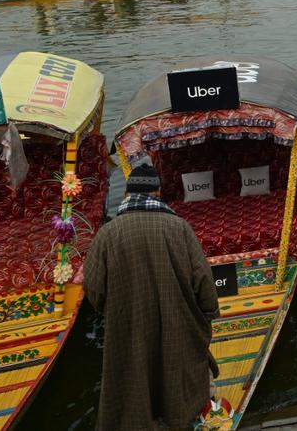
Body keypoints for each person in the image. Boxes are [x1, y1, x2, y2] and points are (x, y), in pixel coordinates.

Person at [83, 163, 220, 431]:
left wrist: (111, 307)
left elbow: (94, 289)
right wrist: (208, 313)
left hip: (128, 326)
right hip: (177, 320)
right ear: (157, 193)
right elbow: (203, 278)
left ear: (126, 195)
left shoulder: (107, 234)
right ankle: (179, 419)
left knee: (136, 374)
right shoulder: (179, 227)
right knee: (176, 367)